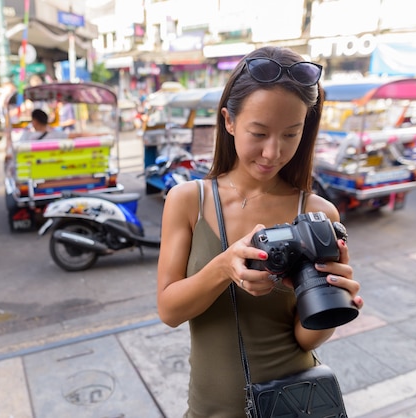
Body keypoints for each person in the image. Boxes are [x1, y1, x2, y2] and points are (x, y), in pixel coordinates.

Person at [156, 46, 364, 417]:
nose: (273, 151)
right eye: (259, 132)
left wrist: (333, 305)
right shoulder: (188, 200)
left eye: (290, 134)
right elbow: (170, 311)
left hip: (294, 404)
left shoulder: (317, 213)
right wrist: (224, 267)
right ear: (229, 121)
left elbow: (303, 339)